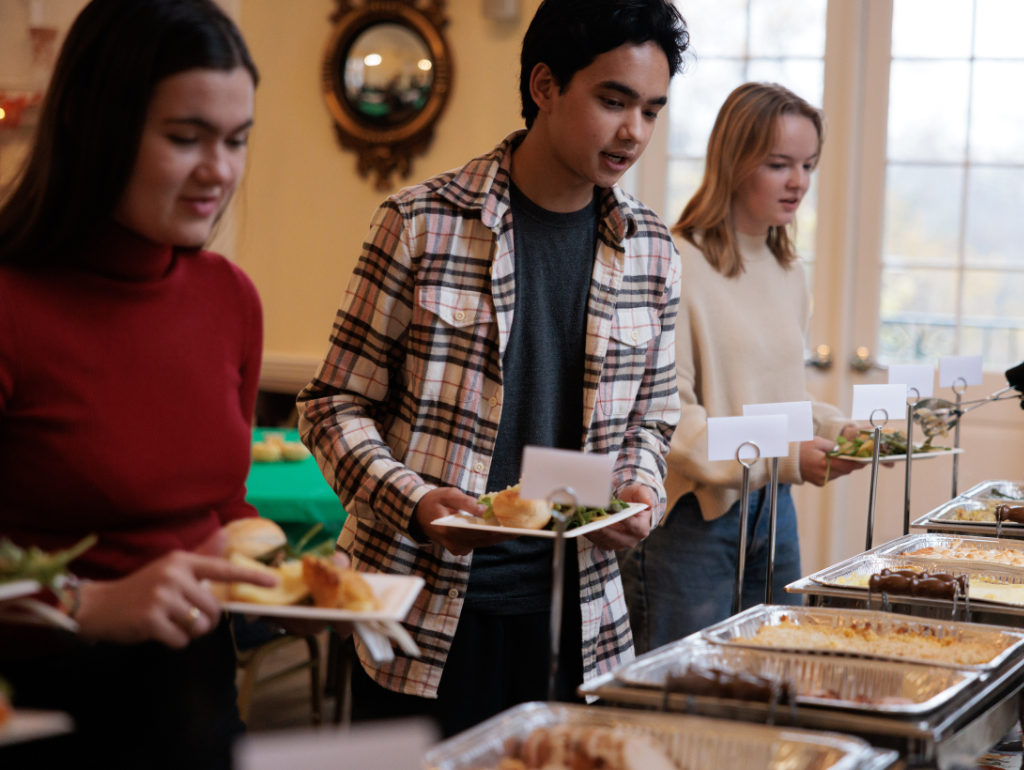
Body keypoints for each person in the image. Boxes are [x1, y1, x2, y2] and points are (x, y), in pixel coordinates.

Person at [298, 0, 687, 738]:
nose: (633, 131)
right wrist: (414, 499)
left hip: (582, 619)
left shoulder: (654, 249)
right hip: (425, 612)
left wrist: (642, 485)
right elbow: (331, 404)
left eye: (651, 110)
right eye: (613, 100)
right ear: (544, 86)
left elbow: (652, 418)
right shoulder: (419, 222)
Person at [0, 0, 279, 766]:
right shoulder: (12, 302)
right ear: (100, 128)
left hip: (197, 707)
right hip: (42, 715)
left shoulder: (232, 299)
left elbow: (222, 508)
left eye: (236, 140)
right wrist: (83, 605)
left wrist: (280, 583)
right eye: (186, 139)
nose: (219, 171)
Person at [620, 82, 863, 653]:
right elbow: (671, 423)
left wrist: (833, 429)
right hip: (692, 525)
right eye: (779, 164)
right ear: (733, 163)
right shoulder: (677, 262)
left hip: (772, 509)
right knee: (684, 697)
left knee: (776, 675)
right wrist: (786, 453)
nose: (798, 181)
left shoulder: (787, 268)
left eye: (807, 164)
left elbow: (775, 398)